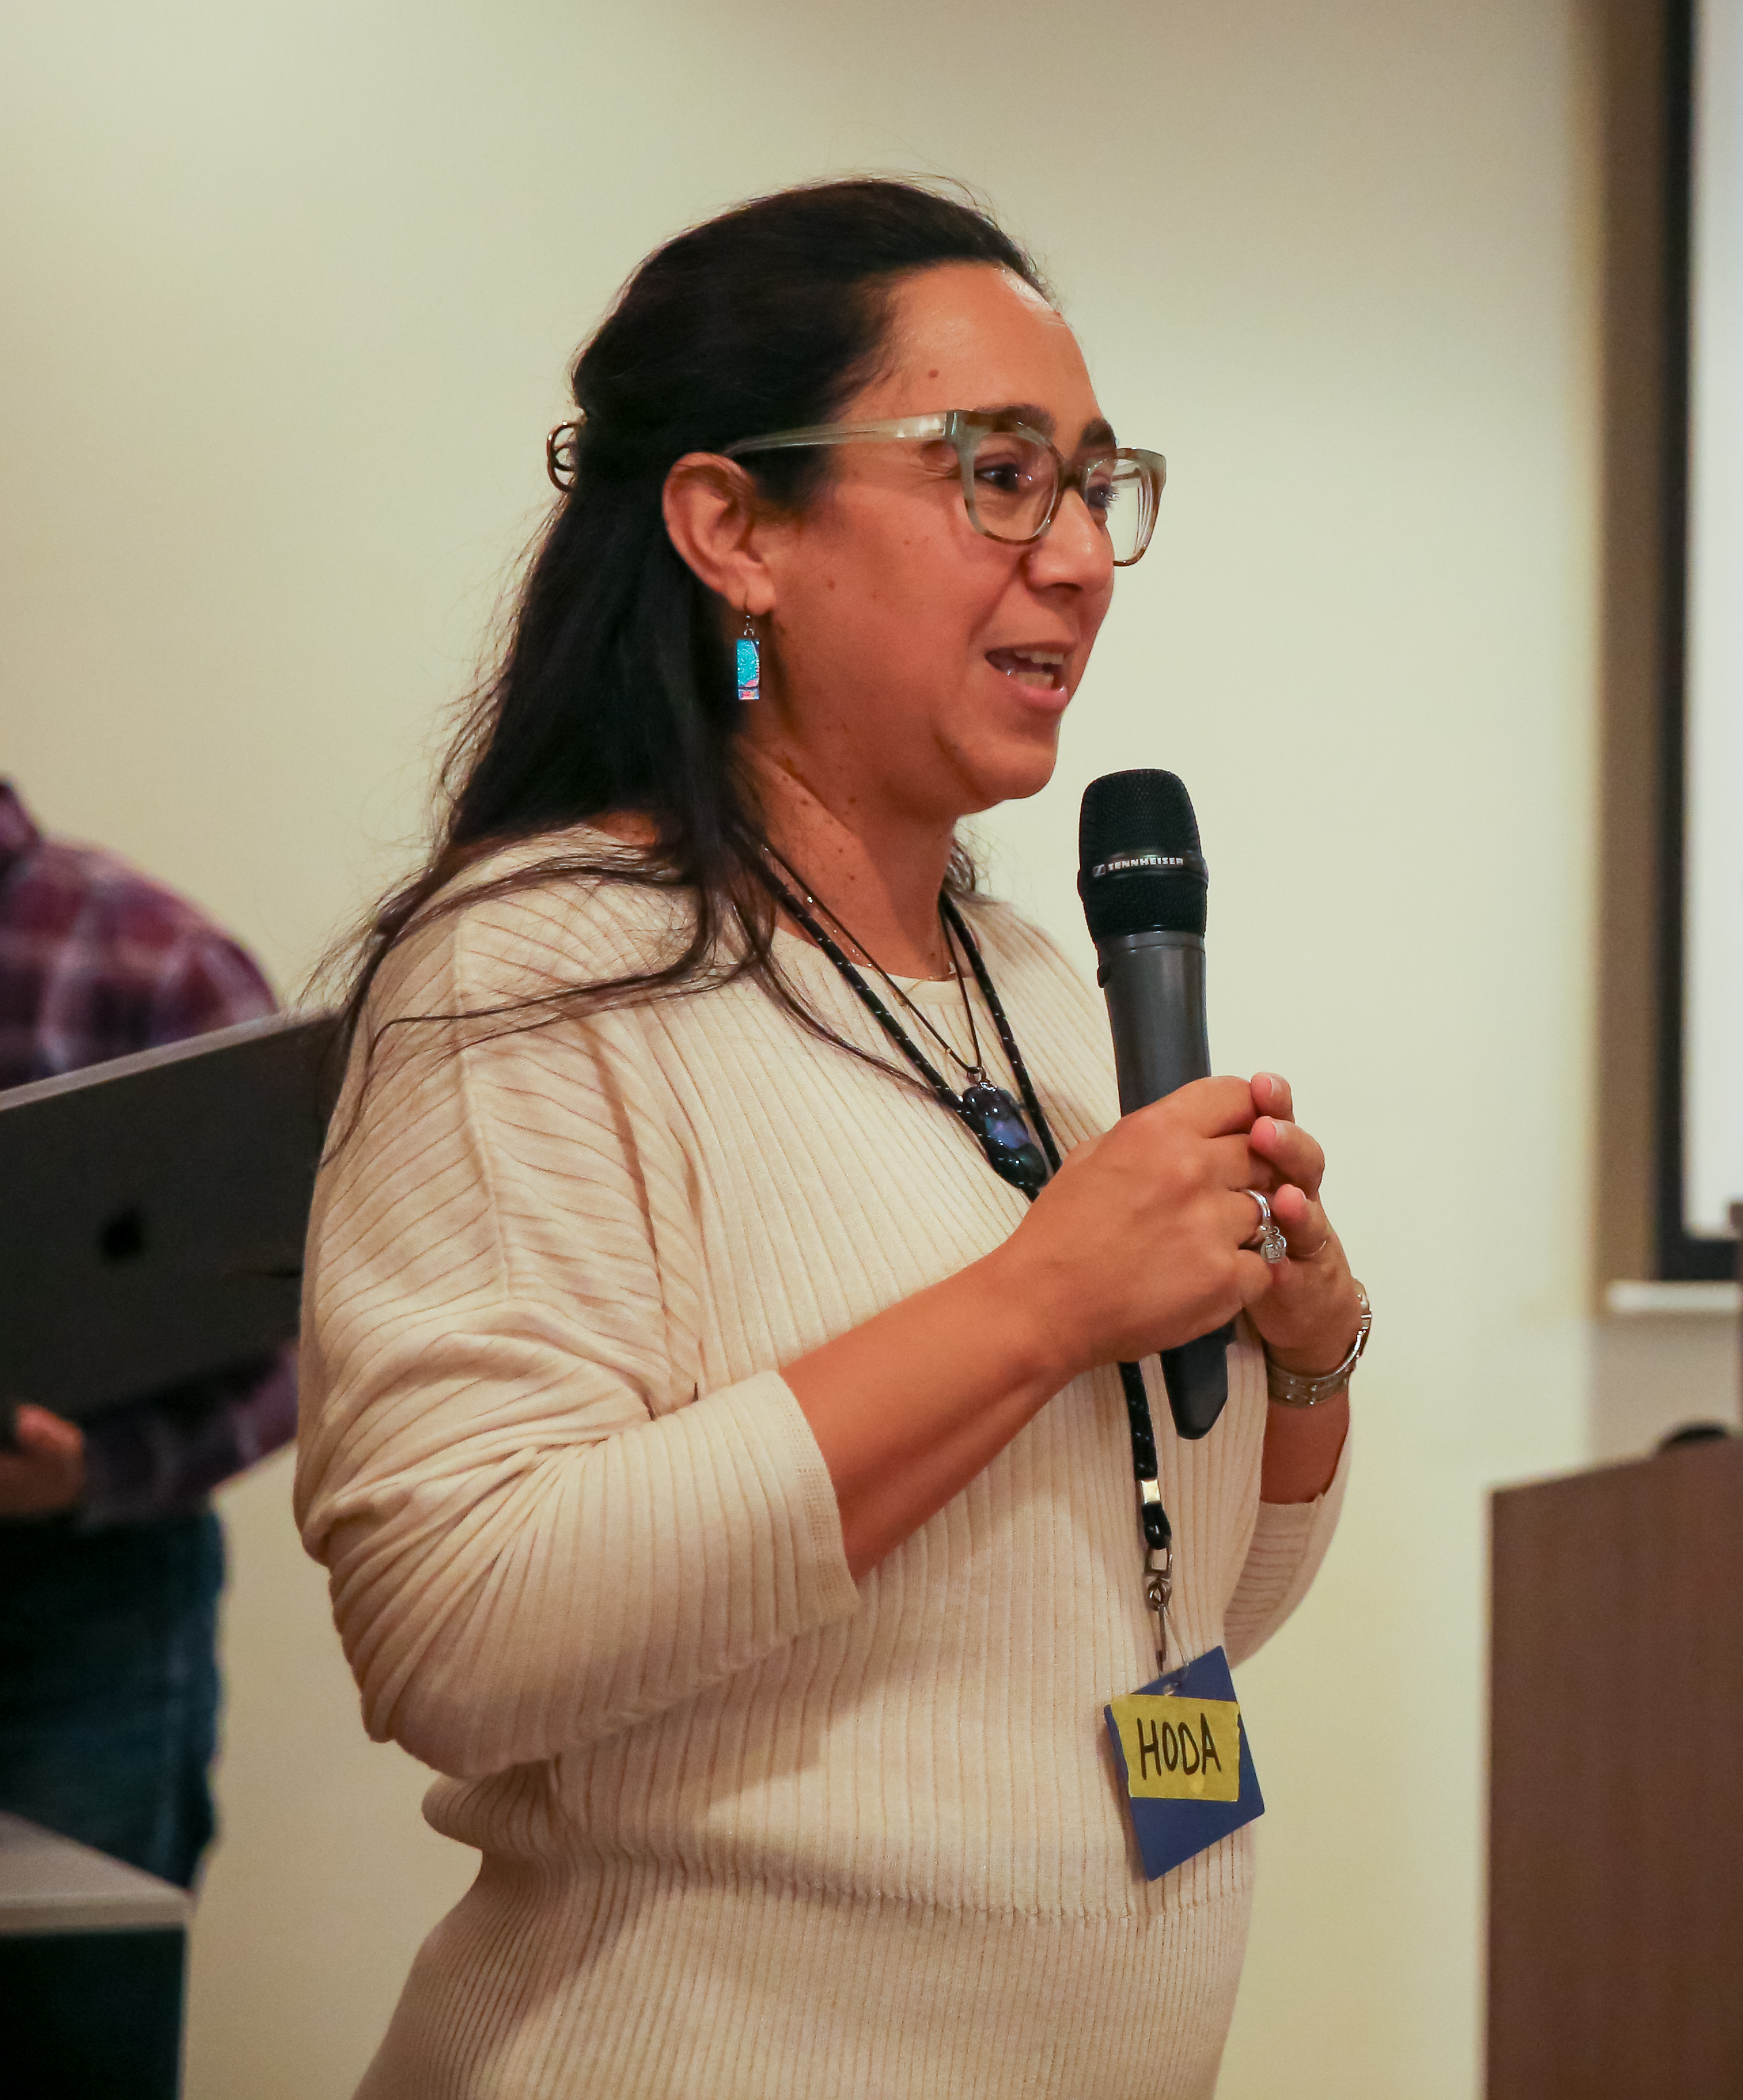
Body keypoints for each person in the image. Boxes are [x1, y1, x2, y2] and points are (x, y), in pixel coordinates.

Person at [295, 181, 1367, 2098]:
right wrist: (1039, 1306)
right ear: (733, 529)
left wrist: (1302, 1369)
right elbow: (452, 1629)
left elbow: (1165, 1614)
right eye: (996, 473)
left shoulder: (1040, 986)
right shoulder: (537, 968)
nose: (1076, 559)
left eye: (1095, 483)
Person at [0, 785, 300, 2077]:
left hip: (74, 1614)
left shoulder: (156, 962)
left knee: (60, 2029)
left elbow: (309, 1335)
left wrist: (91, 1474)